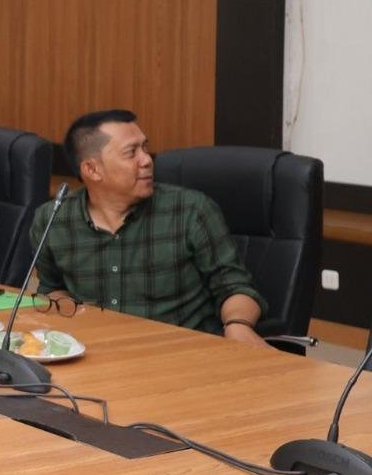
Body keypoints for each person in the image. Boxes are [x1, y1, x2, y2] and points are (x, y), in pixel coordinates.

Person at [32, 109, 266, 344]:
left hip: (183, 355)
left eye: (145, 147)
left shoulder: (190, 211)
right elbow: (51, 287)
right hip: (97, 353)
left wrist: (237, 325)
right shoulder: (53, 219)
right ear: (92, 170)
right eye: (131, 152)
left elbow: (235, 287)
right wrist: (70, 314)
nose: (146, 160)